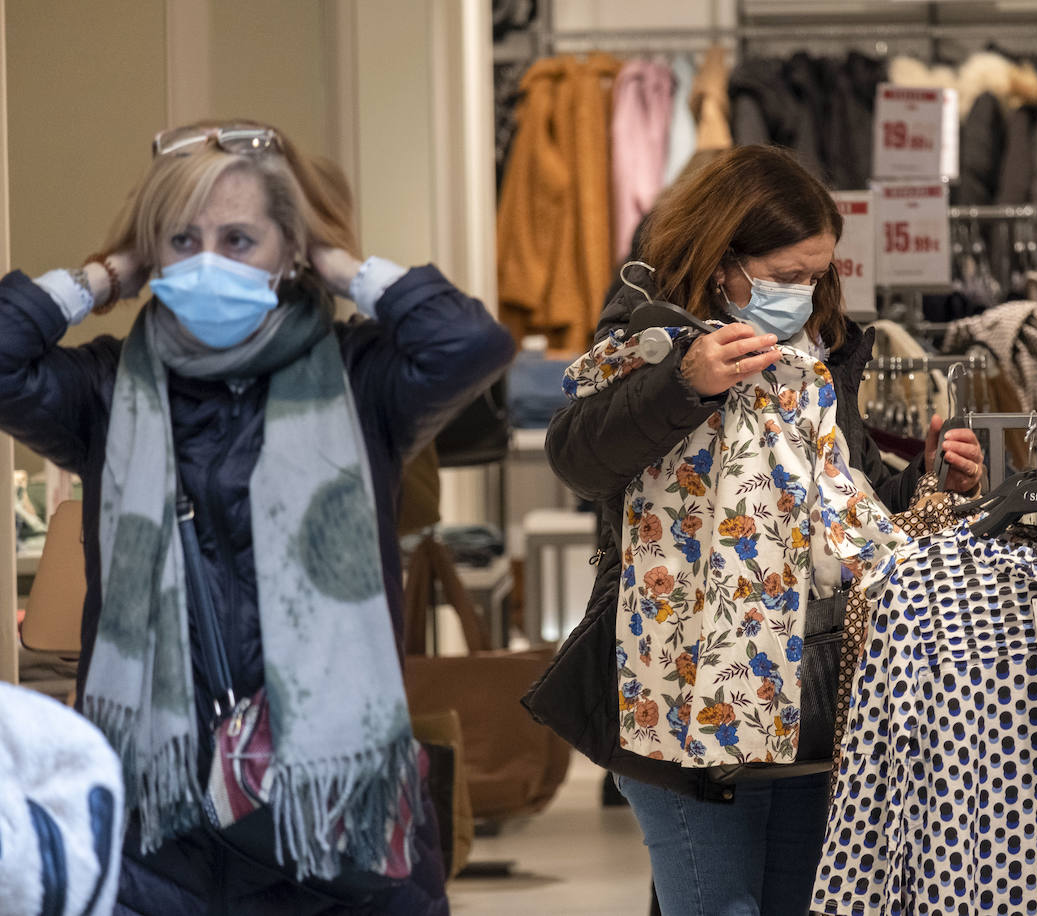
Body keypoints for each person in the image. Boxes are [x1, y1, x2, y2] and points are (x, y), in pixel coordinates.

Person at [0, 120, 514, 915]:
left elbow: (469, 342)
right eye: (182, 239)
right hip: (161, 813)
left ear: (290, 251)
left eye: (239, 239)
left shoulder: (360, 378)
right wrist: (105, 274)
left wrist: (339, 264)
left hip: (331, 806)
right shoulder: (106, 392)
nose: (208, 263)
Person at [539, 145, 984, 916]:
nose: (804, 295)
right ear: (722, 262)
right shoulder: (650, 331)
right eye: (786, 277)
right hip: (678, 692)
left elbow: (855, 497)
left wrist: (935, 482)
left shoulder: (817, 355)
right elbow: (579, 456)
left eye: (816, 276)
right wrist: (684, 384)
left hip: (811, 692)